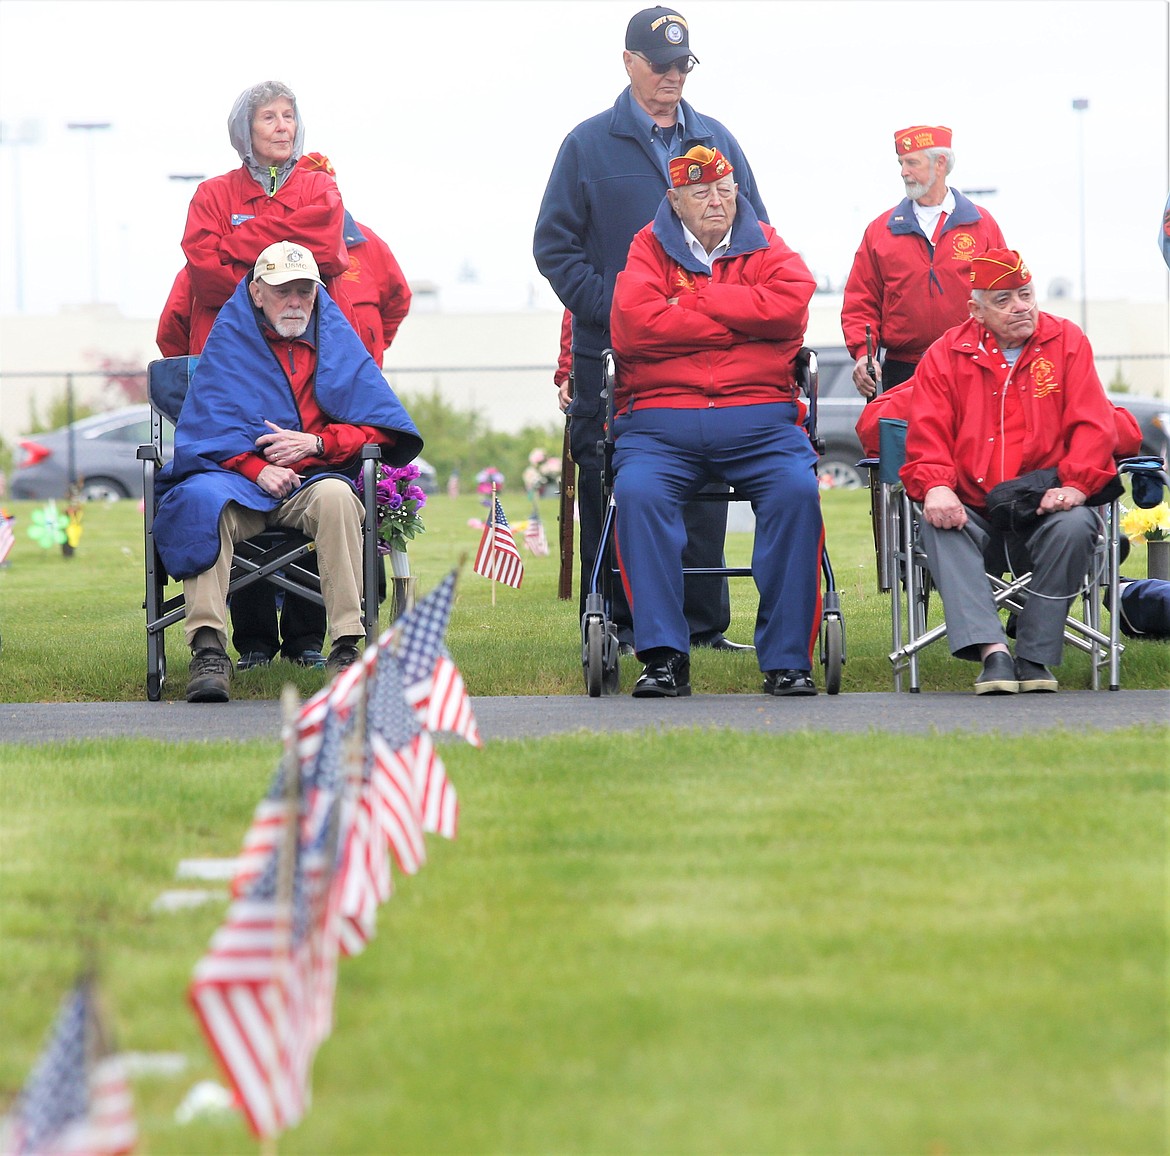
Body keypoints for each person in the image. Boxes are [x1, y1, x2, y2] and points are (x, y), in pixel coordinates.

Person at [534, 5, 767, 654]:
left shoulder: (716, 140)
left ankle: (702, 626)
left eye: (682, 65)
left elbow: (757, 235)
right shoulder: (586, 144)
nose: (672, 76)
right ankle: (613, 624)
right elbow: (554, 247)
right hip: (611, 354)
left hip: (704, 355)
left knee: (702, 479)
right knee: (611, 486)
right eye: (660, 65)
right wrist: (613, 305)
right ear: (629, 62)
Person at [153, 241, 422, 704]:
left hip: (311, 482)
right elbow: (205, 430)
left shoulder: (336, 340)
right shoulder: (229, 343)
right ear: (256, 292)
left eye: (304, 290)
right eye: (283, 292)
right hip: (236, 485)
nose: (295, 301)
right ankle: (209, 650)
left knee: (339, 497)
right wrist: (255, 468)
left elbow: (378, 424)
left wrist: (317, 443)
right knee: (198, 502)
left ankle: (345, 645)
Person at [609, 146, 823, 698]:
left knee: (797, 491)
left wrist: (695, 301)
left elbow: (790, 308)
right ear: (675, 199)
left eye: (725, 191)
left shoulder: (768, 244)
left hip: (762, 422)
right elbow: (634, 326)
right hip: (660, 424)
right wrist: (738, 322)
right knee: (638, 494)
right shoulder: (647, 248)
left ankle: (786, 659)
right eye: (701, 193)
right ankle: (662, 657)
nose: (716, 202)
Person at [900, 249, 1119, 695]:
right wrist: (938, 486)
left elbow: (1094, 424)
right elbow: (927, 435)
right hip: (974, 509)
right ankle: (993, 652)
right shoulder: (944, 355)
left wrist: (1076, 486)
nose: (1021, 306)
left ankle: (1035, 654)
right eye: (1004, 300)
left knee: (1077, 524)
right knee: (938, 522)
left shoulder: (1067, 341)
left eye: (1025, 294)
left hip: (1044, 505)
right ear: (975, 310)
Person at [842, 125, 1006, 398]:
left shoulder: (982, 225)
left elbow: (1003, 295)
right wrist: (863, 354)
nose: (903, 171)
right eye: (901, 163)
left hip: (971, 365)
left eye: (912, 163)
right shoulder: (880, 231)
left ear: (940, 164)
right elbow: (861, 301)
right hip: (902, 371)